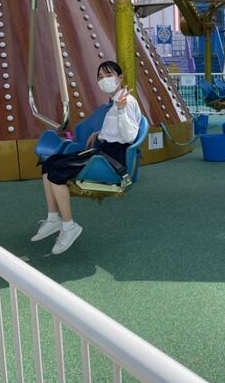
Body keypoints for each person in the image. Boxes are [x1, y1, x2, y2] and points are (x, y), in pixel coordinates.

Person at [31, 60, 142, 254]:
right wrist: (98, 133)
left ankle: (69, 227)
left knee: (56, 174)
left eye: (108, 75)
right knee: (48, 164)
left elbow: (129, 136)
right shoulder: (116, 101)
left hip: (111, 159)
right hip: (104, 150)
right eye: (100, 77)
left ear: (120, 77)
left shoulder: (126, 102)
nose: (104, 80)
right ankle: (53, 219)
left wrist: (122, 110)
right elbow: (116, 130)